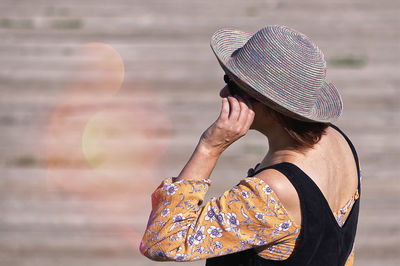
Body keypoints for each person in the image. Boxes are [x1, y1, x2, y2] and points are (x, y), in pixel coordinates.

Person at [139, 25, 361, 265]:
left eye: (233, 84)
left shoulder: (274, 191)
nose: (224, 93)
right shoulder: (338, 140)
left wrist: (209, 147)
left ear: (268, 104)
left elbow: (162, 241)